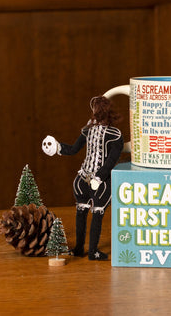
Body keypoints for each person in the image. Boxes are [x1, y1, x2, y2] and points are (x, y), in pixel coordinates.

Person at [41, 96, 123, 261]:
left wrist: (99, 177)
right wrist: (58, 147)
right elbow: (73, 149)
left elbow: (110, 161)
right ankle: (80, 248)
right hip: (83, 179)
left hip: (100, 183)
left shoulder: (114, 135)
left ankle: (92, 251)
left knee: (96, 214)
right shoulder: (88, 130)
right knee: (82, 213)